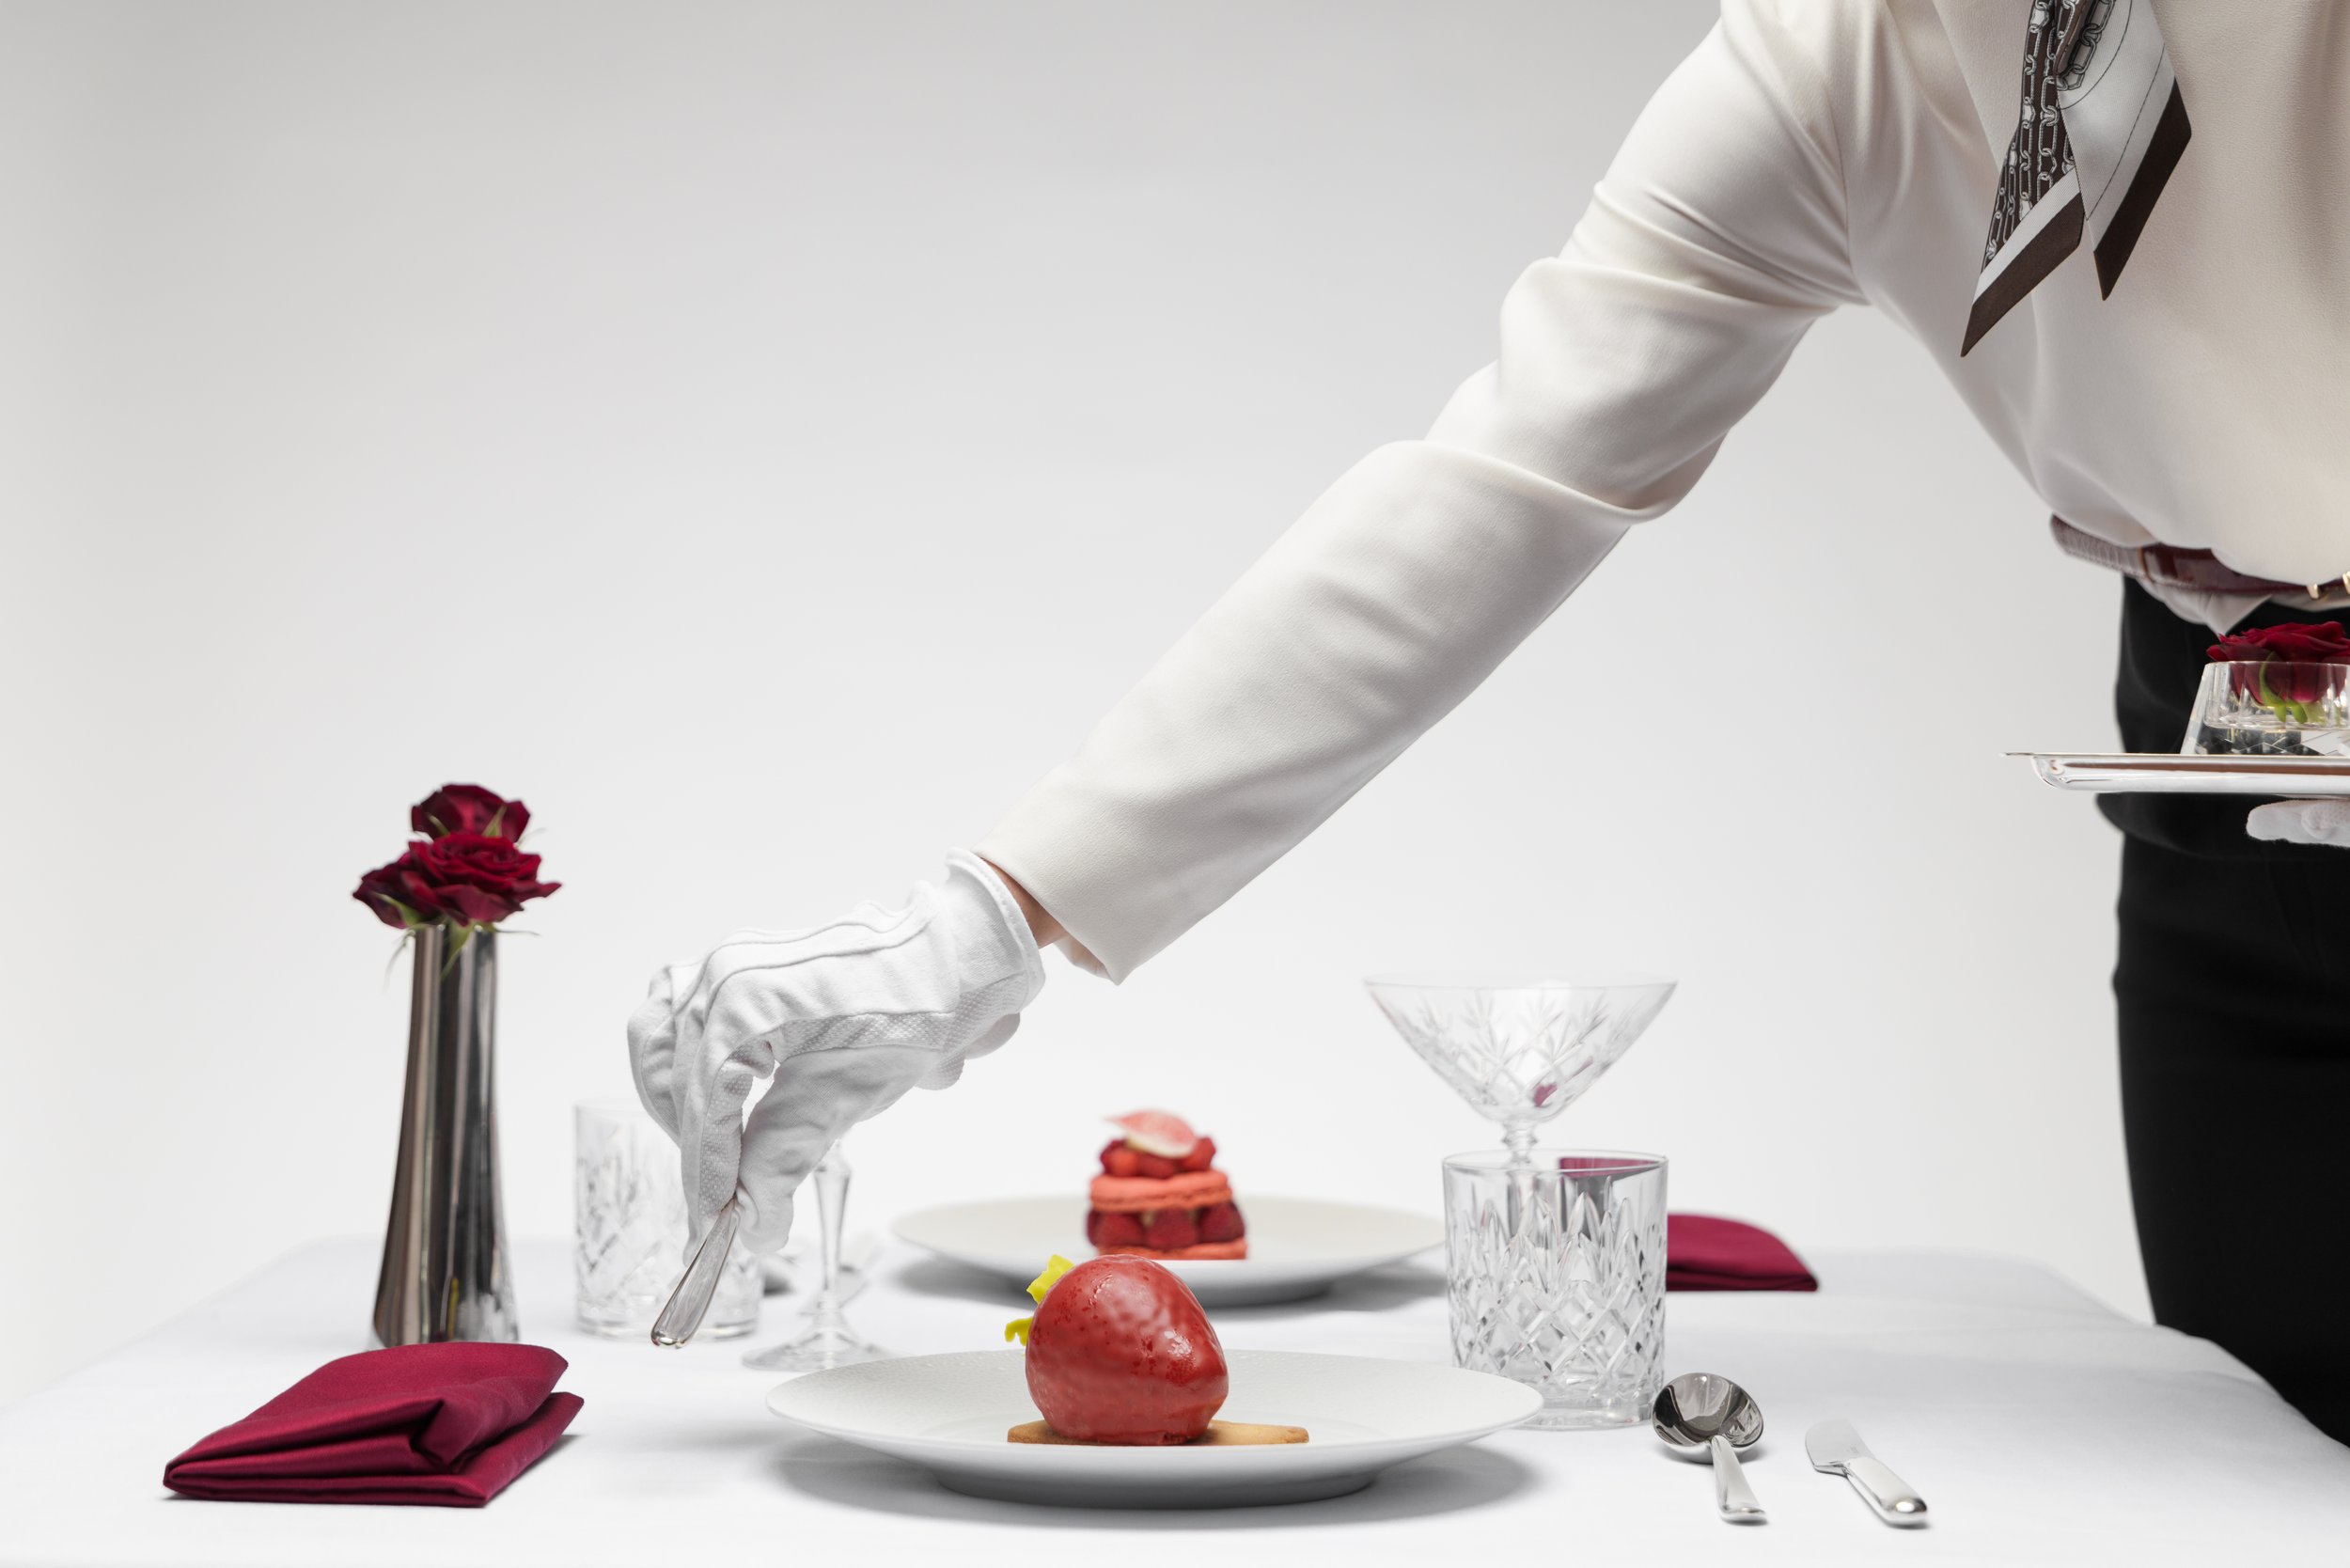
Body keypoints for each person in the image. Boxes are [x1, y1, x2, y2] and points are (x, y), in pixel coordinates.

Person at [628, 0, 2350, 1440]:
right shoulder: (1835, 66)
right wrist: (979, 926)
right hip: (2222, 747)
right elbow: (1493, 487)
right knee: (2257, 1433)